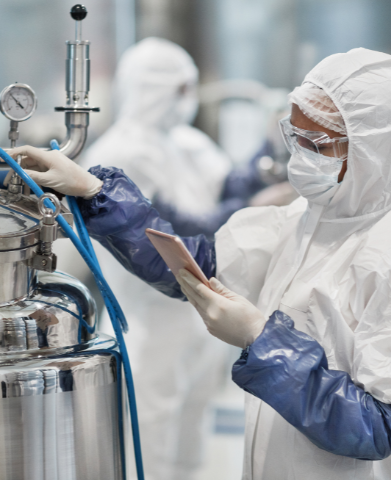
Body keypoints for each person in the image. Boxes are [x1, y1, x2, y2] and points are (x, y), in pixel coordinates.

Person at [10, 47, 391, 479]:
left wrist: (262, 341)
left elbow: (376, 427)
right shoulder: (305, 221)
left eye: (315, 143)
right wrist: (95, 191)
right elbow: (195, 264)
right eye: (294, 136)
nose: (299, 155)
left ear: (376, 152)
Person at [78, 37, 268, 480]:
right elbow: (167, 233)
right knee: (149, 444)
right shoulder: (121, 152)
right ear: (156, 88)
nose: (189, 100)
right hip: (147, 322)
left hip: (197, 321)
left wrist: (266, 159)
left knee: (191, 441)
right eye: (182, 89)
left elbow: (230, 191)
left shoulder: (185, 142)